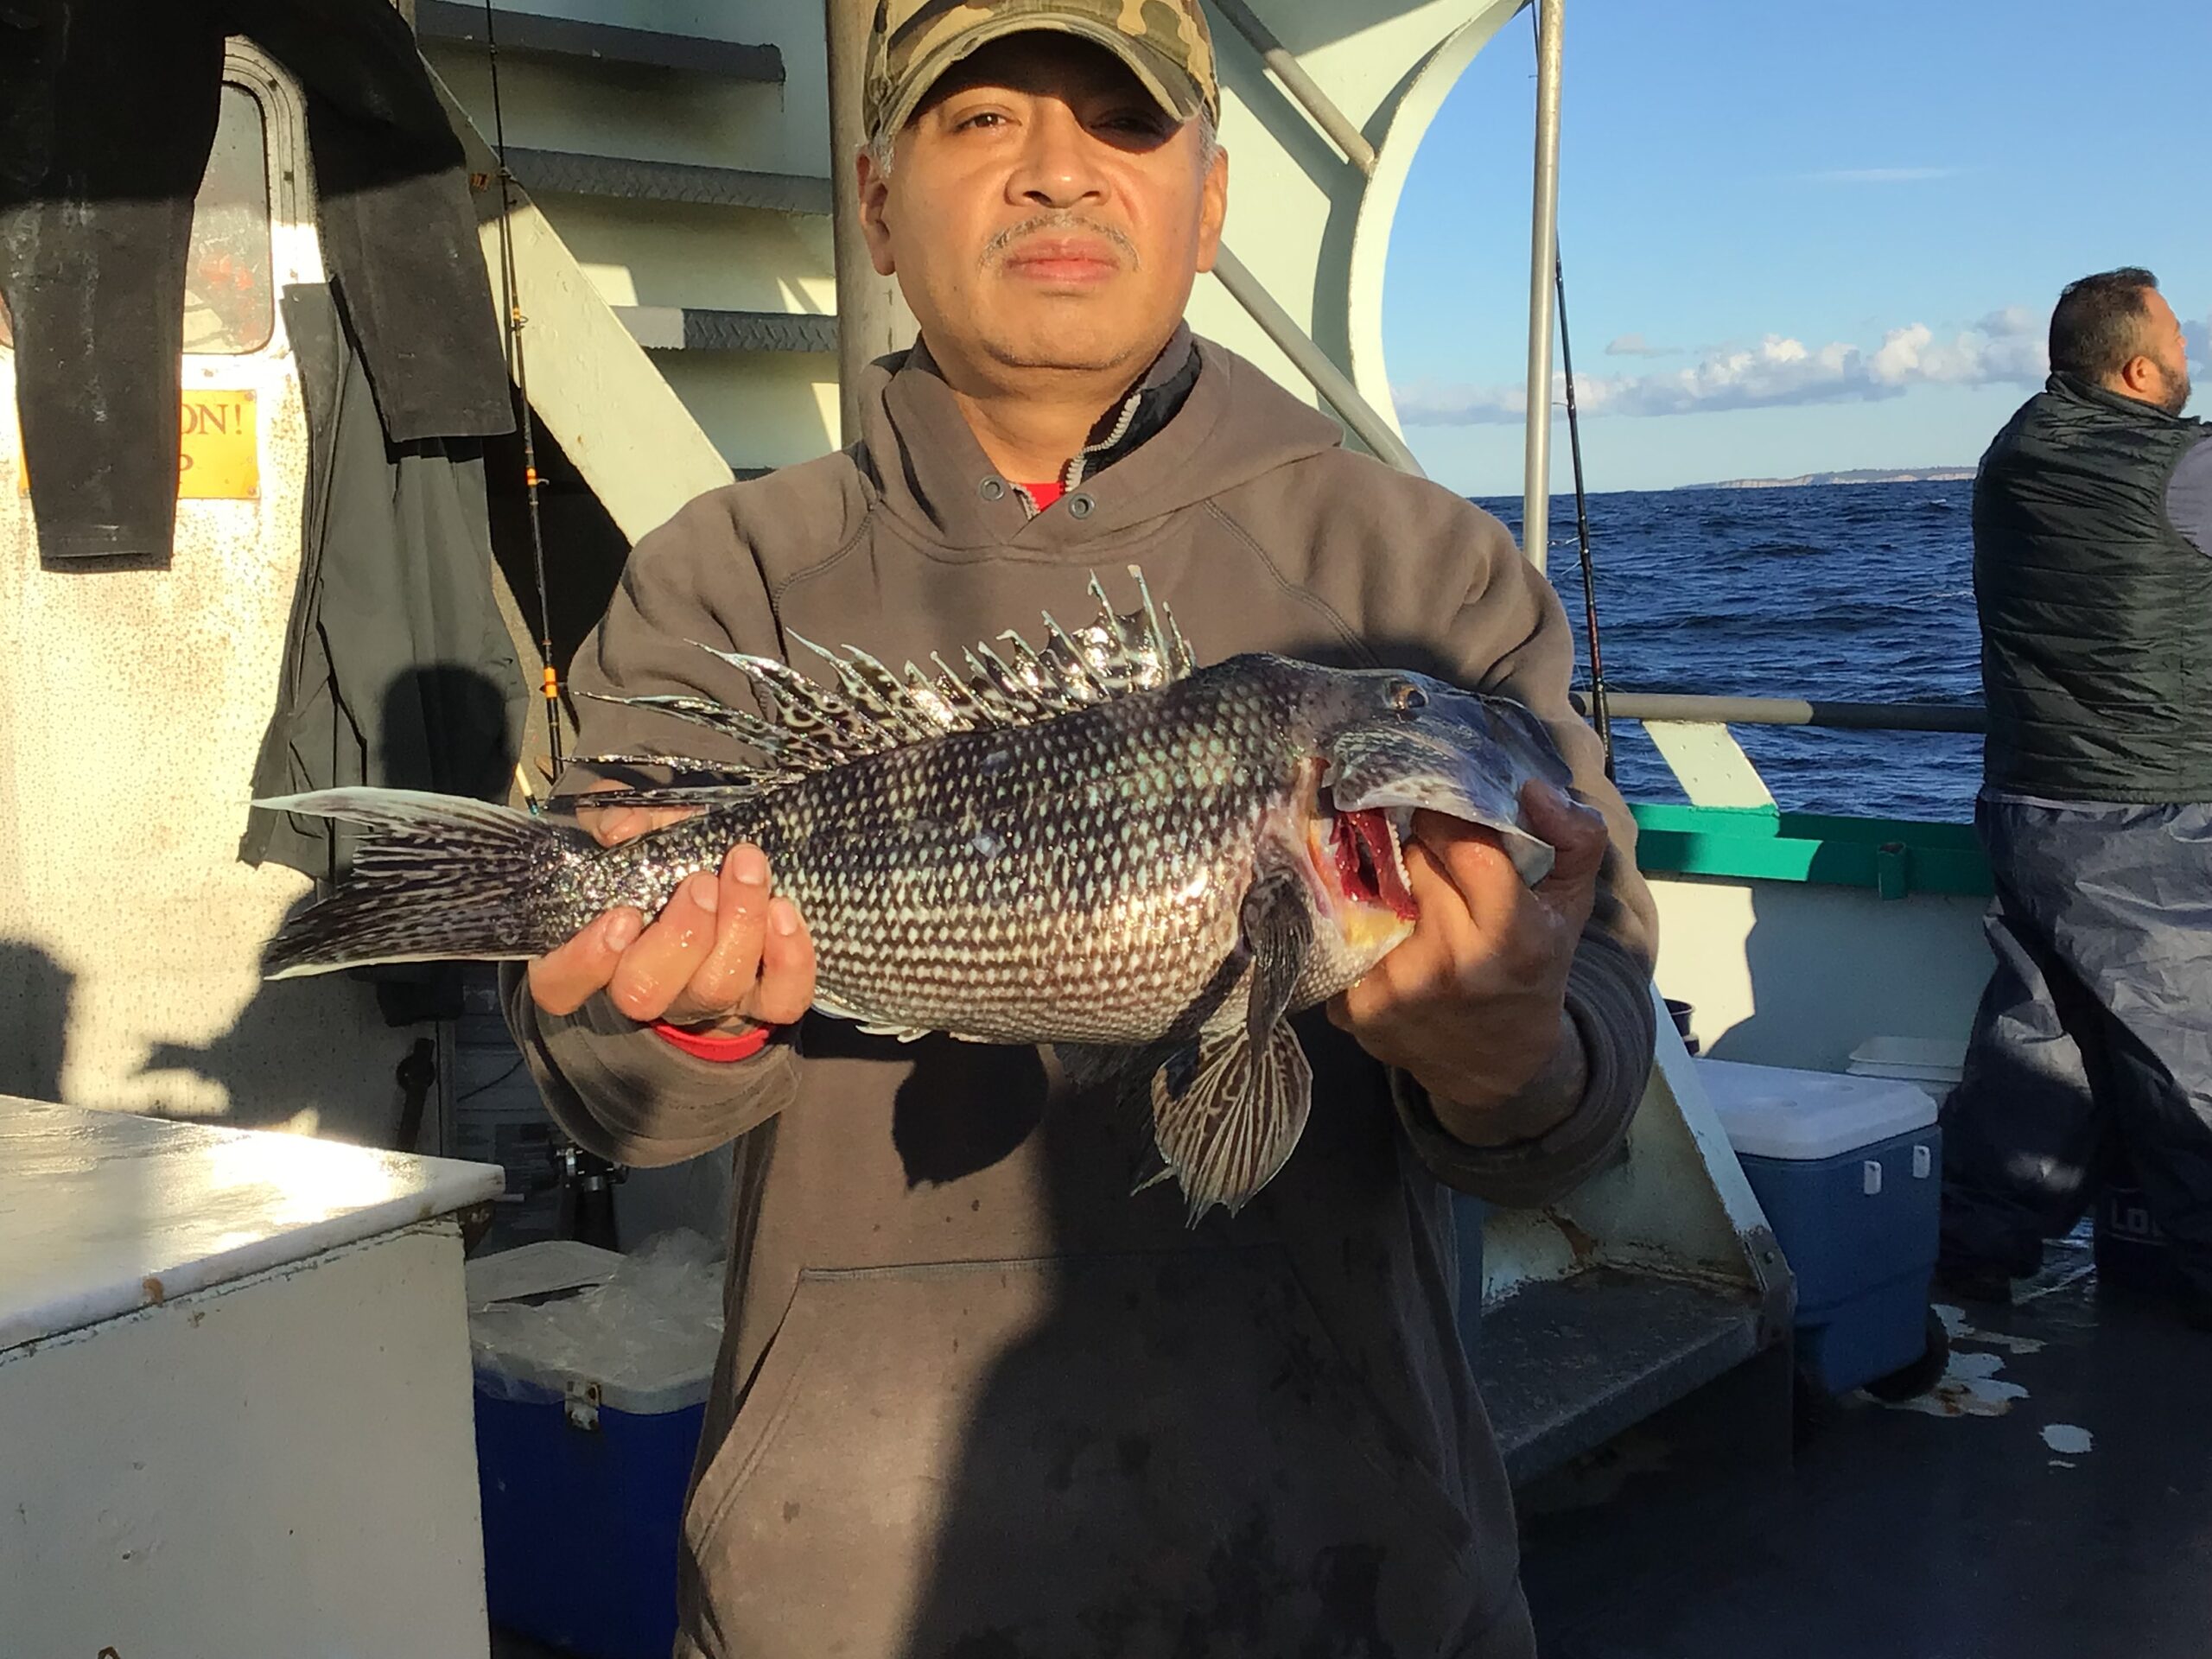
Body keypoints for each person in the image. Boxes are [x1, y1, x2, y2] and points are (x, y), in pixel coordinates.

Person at [503, 3, 1659, 1652]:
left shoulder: (1423, 579)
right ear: (881, 202)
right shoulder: (728, 575)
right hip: (851, 1580)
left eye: (1122, 123)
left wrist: (1511, 1061)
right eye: (980, 123)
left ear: (1211, 197)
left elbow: (1591, 1072)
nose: (1056, 172)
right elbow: (601, 1094)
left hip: (1357, 1570)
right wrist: (668, 1022)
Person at [1939, 267, 2212, 1320]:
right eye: (2179, 341)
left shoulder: (2016, 451)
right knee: (2188, 1070)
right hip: (2147, 818)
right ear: (2140, 367)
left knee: (2037, 1048)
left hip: (2028, 803)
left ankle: (1969, 1252)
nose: (2191, 358)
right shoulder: (2178, 469)